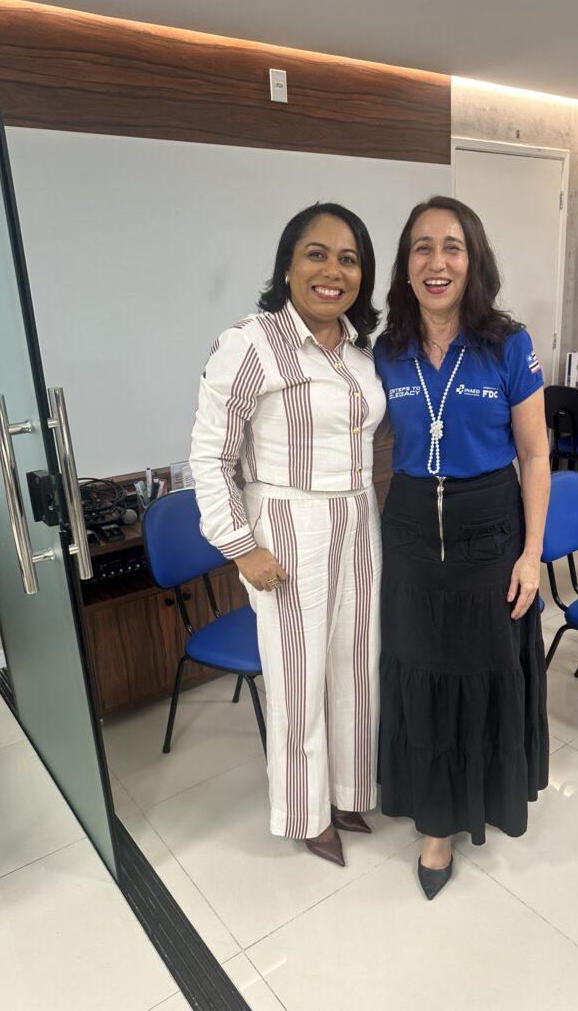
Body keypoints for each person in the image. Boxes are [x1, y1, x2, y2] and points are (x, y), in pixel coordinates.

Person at [190, 202, 386, 866]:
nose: (333, 271)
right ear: (287, 265)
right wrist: (241, 546)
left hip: (358, 519)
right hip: (287, 524)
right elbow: (211, 457)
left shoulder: (359, 354)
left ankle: (349, 791)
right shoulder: (250, 344)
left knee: (356, 663)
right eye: (316, 254)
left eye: (349, 259)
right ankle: (306, 813)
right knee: (298, 676)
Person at [373, 196, 550, 900]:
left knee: (482, 670)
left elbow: (535, 455)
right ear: (406, 265)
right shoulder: (385, 351)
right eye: (422, 247)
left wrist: (532, 554)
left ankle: (481, 799)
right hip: (411, 533)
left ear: (473, 260)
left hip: (490, 531)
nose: (437, 261)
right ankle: (435, 827)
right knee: (420, 672)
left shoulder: (509, 344)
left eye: (452, 246)